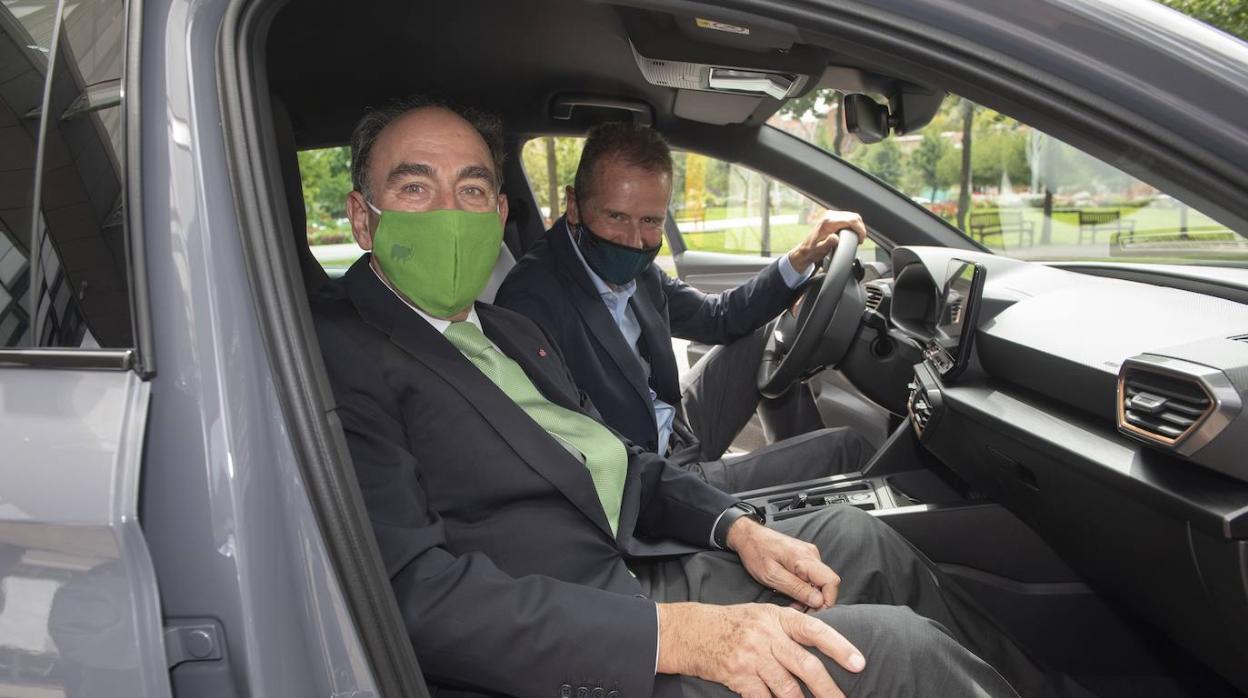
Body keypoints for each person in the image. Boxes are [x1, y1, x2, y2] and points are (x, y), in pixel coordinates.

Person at [311, 96, 1088, 698]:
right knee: (901, 651)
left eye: (472, 187)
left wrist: (735, 529)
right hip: (579, 640)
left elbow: (618, 460)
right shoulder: (343, 356)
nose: (451, 211)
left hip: (626, 559)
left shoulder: (505, 330)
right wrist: (671, 636)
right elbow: (413, 596)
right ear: (361, 215)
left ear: (501, 210)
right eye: (416, 187)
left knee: (856, 538)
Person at [496, 122, 871, 493]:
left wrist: (801, 258)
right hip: (650, 480)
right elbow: (578, 454)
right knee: (845, 449)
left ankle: (787, 496)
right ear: (574, 205)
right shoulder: (531, 301)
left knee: (766, 335)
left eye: (650, 221)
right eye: (616, 217)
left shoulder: (637, 267)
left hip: (674, 428)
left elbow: (718, 317)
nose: (633, 240)